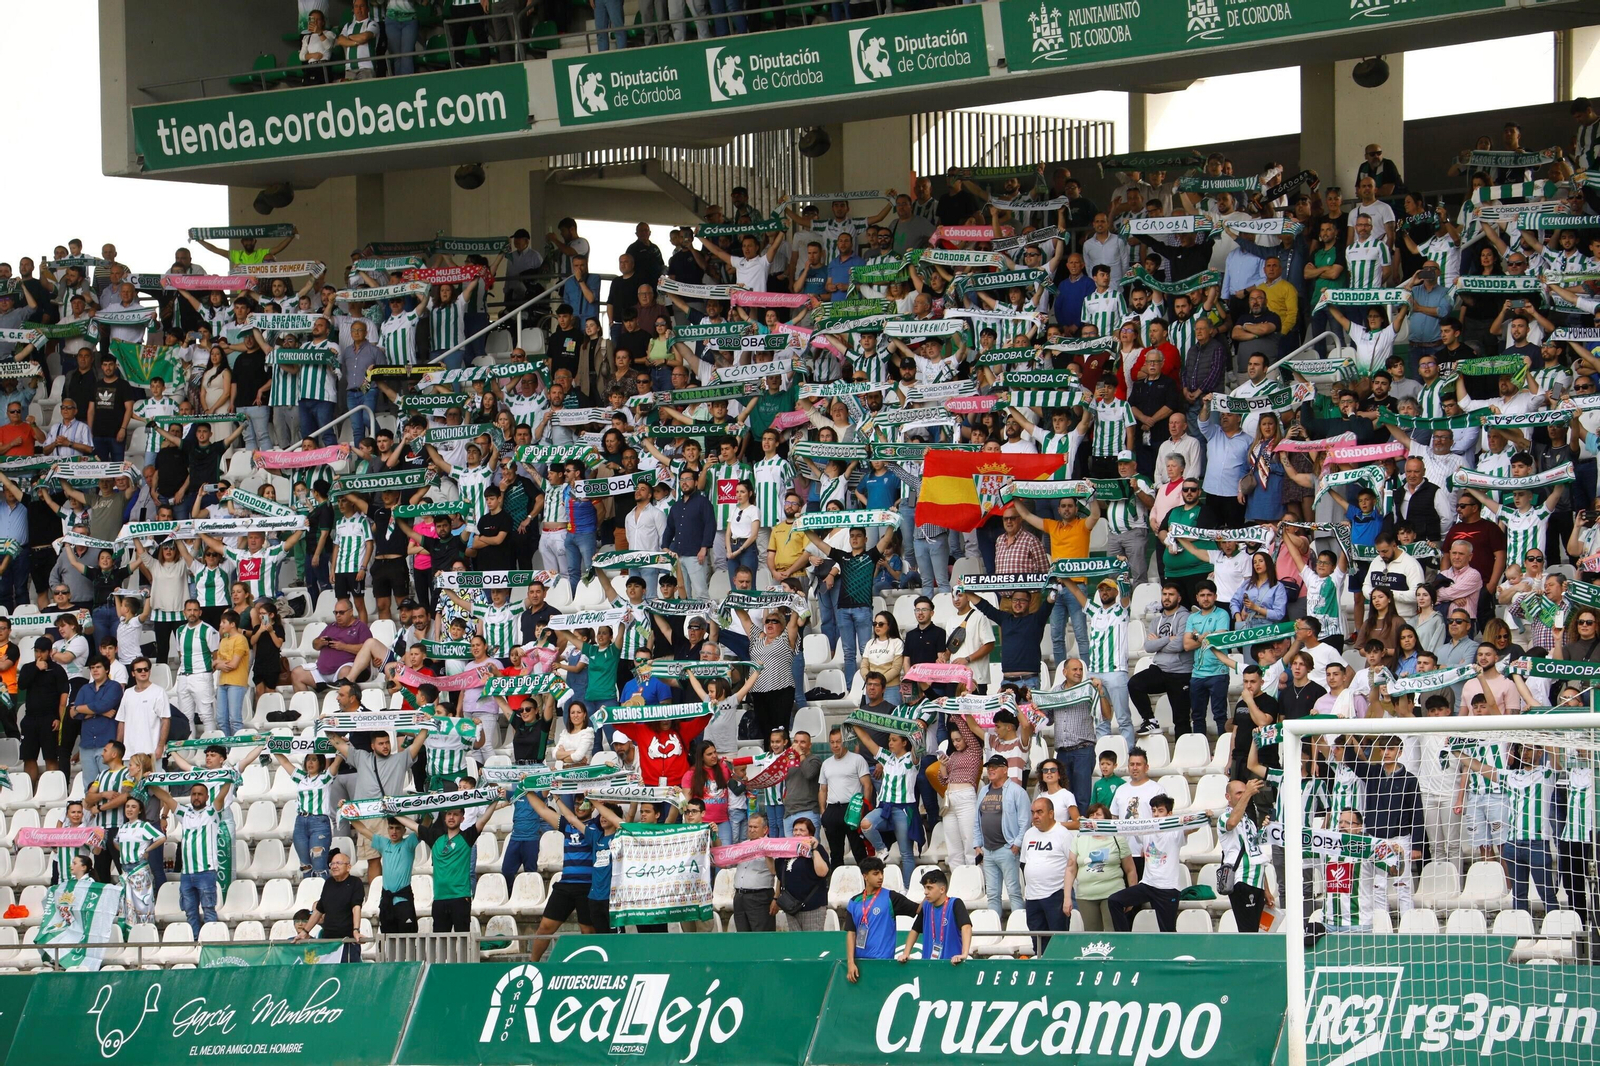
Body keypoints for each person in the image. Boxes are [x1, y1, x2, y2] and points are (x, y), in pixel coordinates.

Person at [147, 780, 231, 937]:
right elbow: (166, 797)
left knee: (208, 910)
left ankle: (211, 943)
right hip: (186, 873)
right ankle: (194, 942)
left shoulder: (212, 812)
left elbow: (221, 796)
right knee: (190, 912)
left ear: (206, 797)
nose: (196, 797)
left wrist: (229, 780)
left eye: (200, 794)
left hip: (206, 870)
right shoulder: (184, 813)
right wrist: (149, 783)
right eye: (194, 794)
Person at [1108, 793, 1190, 931]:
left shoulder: (1175, 832)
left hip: (1167, 888)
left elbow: (1192, 828)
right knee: (1114, 901)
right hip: (1147, 885)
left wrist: (1204, 816)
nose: (1156, 814)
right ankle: (1124, 940)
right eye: (1154, 811)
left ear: (1169, 814)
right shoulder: (1147, 830)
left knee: (1168, 931)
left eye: (1160, 811)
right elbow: (1125, 825)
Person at [843, 857, 919, 983]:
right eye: (876, 873)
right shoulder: (854, 902)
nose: (881, 877)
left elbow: (917, 909)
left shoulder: (891, 897)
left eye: (882, 873)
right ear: (865, 876)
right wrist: (851, 963)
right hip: (860, 964)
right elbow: (851, 934)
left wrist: (932, 896)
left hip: (883, 963)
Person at [973, 754, 1028, 918]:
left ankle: (1019, 930)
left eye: (995, 767)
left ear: (1005, 770)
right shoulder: (984, 790)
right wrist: (977, 845)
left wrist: (1016, 844)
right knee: (992, 894)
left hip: (1007, 848)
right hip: (987, 850)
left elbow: (1025, 821)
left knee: (1014, 891)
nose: (991, 770)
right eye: (989, 767)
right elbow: (977, 819)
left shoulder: (1018, 791)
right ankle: (994, 930)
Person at [1219, 778, 1274, 932]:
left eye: (1245, 792)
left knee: (1256, 931)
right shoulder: (1224, 817)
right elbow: (1231, 823)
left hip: (1257, 882)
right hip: (1242, 881)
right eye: (1238, 793)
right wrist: (1248, 793)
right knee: (1248, 932)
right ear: (1228, 797)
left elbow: (1257, 855)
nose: (1243, 796)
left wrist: (1267, 890)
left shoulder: (1249, 822)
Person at [1020, 795, 1074, 942]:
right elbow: (1024, 862)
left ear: (1051, 813)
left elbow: (1073, 865)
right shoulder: (1028, 834)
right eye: (1033, 813)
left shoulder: (1063, 834)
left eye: (1039, 812)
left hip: (1055, 895)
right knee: (1037, 943)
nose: (1035, 816)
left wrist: (1067, 898)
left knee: (1058, 943)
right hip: (1032, 897)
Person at [297, 851, 365, 961]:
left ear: (348, 867)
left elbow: (356, 907)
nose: (334, 866)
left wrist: (356, 930)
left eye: (338, 863)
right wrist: (305, 932)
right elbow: (319, 909)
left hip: (347, 940)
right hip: (328, 941)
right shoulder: (328, 883)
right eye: (332, 864)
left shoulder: (355, 882)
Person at [898, 868, 973, 963]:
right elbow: (914, 930)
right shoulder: (926, 906)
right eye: (924, 888)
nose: (925, 892)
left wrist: (964, 953)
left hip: (952, 964)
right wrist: (906, 953)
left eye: (929, 888)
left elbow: (966, 927)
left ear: (942, 889)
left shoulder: (955, 904)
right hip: (929, 965)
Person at [779, 815, 831, 931]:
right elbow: (776, 873)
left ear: (810, 834)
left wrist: (814, 849)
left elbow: (822, 872)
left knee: (811, 943)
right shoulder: (787, 850)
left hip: (812, 906)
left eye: (802, 830)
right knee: (796, 945)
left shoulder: (819, 850)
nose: (797, 833)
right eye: (795, 830)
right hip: (791, 906)